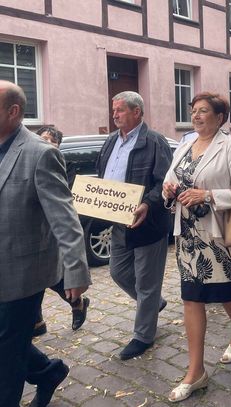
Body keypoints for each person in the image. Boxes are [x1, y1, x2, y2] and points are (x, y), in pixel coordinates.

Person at [0, 80, 91, 407]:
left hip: (22, 273)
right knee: (8, 342)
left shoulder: (40, 153)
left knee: (7, 357)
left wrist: (76, 272)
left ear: (13, 111)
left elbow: (64, 218)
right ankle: (49, 372)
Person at [163, 92, 231, 402]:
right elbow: (169, 181)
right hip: (188, 236)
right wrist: (168, 190)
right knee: (191, 297)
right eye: (194, 111)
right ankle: (196, 372)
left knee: (228, 292)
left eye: (204, 111)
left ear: (219, 118)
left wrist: (208, 195)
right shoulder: (184, 145)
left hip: (219, 236)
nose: (196, 115)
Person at [96, 91, 172, 360]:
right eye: (113, 110)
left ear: (136, 112)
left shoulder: (155, 141)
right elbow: (103, 175)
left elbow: (165, 182)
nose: (114, 114)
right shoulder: (111, 140)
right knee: (118, 272)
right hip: (119, 221)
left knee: (147, 283)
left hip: (148, 223)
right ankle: (153, 304)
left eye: (120, 110)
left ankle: (143, 336)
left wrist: (148, 204)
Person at [31, 126, 90, 337]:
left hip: (54, 232)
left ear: (58, 146)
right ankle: (36, 321)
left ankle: (77, 302)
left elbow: (66, 202)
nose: (47, 143)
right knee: (35, 277)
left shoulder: (66, 166)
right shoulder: (28, 160)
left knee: (51, 276)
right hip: (33, 230)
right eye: (43, 138)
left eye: (52, 141)